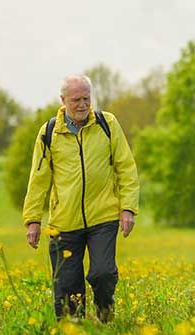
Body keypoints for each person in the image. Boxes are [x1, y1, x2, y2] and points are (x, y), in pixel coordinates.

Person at [23, 75, 140, 322]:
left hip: (103, 217)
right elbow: (38, 178)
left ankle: (104, 318)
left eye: (87, 98)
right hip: (64, 223)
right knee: (67, 286)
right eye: (76, 99)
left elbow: (126, 167)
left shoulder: (107, 124)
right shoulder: (48, 133)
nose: (82, 104)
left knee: (103, 273)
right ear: (63, 100)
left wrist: (127, 208)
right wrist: (33, 219)